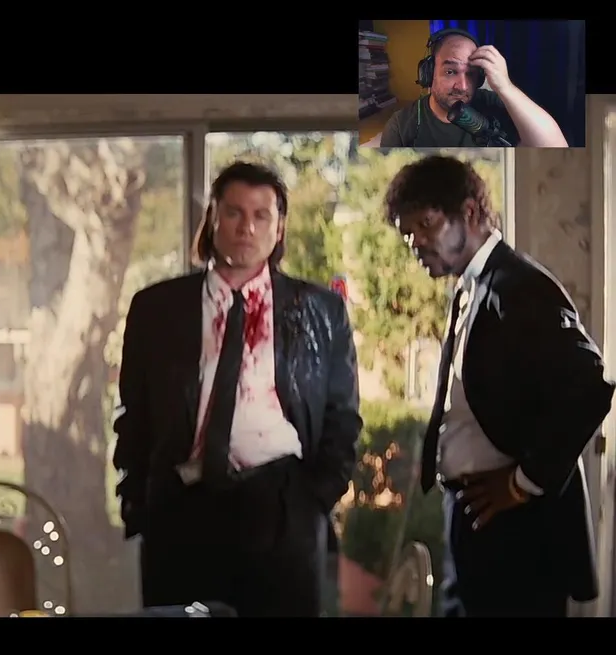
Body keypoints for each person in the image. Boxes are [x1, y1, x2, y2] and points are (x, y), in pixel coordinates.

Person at [113, 161, 362, 617]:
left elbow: (342, 417)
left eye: (260, 215)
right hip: (181, 510)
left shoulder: (321, 310)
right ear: (213, 218)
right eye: (233, 212)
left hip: (282, 509)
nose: (246, 227)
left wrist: (314, 500)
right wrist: (138, 502)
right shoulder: (155, 308)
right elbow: (133, 414)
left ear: (278, 227)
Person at [385, 155, 611, 617]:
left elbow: (591, 383)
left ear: (469, 213)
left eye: (426, 225)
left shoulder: (518, 285)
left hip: (515, 528)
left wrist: (524, 483)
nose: (416, 243)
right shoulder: (472, 286)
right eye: (408, 234)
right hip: (476, 516)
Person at [378, 28, 568, 148]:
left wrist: (506, 87)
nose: (462, 86)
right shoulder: (401, 125)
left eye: (470, 74)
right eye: (450, 71)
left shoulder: (491, 104)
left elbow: (556, 147)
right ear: (428, 73)